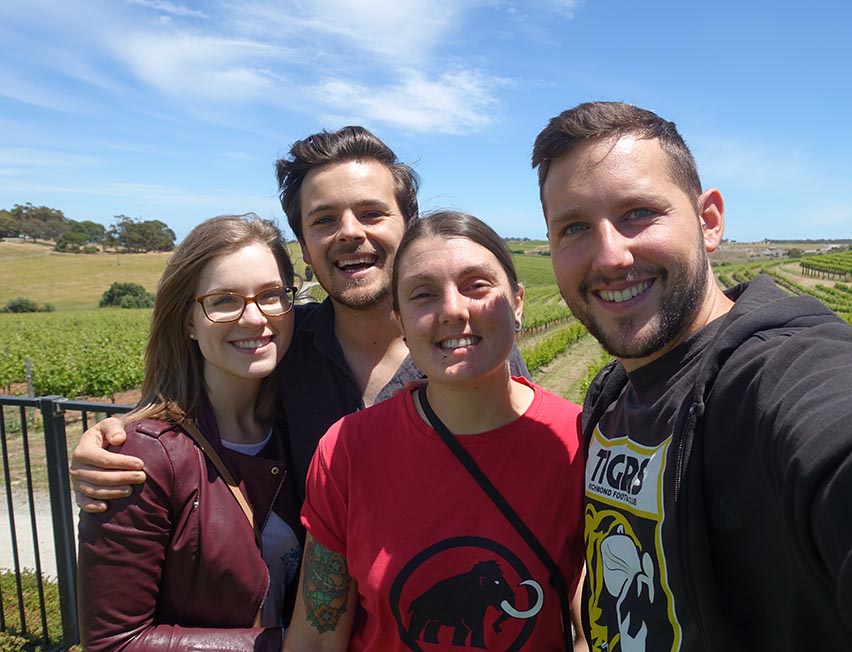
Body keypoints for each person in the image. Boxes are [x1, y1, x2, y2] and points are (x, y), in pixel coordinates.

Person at [531, 100, 852, 651]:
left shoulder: (775, 374)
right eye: (573, 226)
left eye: (638, 213)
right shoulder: (611, 395)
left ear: (709, 221)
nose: (610, 255)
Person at [69, 126, 528, 507]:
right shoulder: (283, 347)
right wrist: (115, 437)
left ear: (409, 226)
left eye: (371, 213)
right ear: (305, 247)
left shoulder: (470, 346)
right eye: (324, 220)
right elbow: (193, 411)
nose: (350, 232)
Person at [285, 211, 586, 652]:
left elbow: (593, 630)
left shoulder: (579, 441)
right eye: (423, 295)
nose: (452, 310)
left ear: (517, 301)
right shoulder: (347, 451)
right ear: (401, 322)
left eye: (476, 285)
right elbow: (315, 637)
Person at [77, 214, 302, 652]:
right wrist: (294, 646)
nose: (255, 318)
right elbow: (114, 643)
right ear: (188, 322)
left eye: (271, 295)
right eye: (223, 301)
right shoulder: (142, 455)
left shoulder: (298, 430)